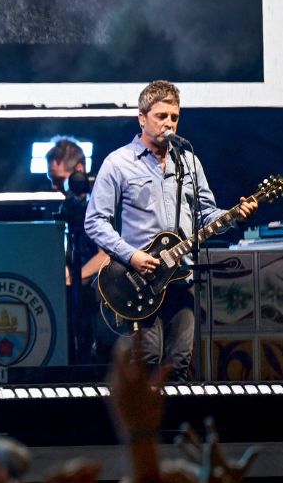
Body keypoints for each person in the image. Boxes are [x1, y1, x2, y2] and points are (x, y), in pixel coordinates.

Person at [84, 80, 257, 380]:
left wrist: (234, 217)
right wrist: (132, 255)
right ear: (142, 118)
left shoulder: (189, 162)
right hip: (140, 280)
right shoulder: (118, 163)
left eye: (174, 117)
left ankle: (176, 414)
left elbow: (206, 215)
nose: (169, 123)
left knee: (179, 362)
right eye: (161, 116)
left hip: (182, 277)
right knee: (148, 358)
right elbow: (95, 221)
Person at [45, 137, 111, 364]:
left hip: (100, 299)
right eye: (52, 180)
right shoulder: (68, 207)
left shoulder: (98, 205)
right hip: (77, 299)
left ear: (79, 172)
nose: (55, 187)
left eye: (59, 180)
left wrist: (73, 277)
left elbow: (107, 254)